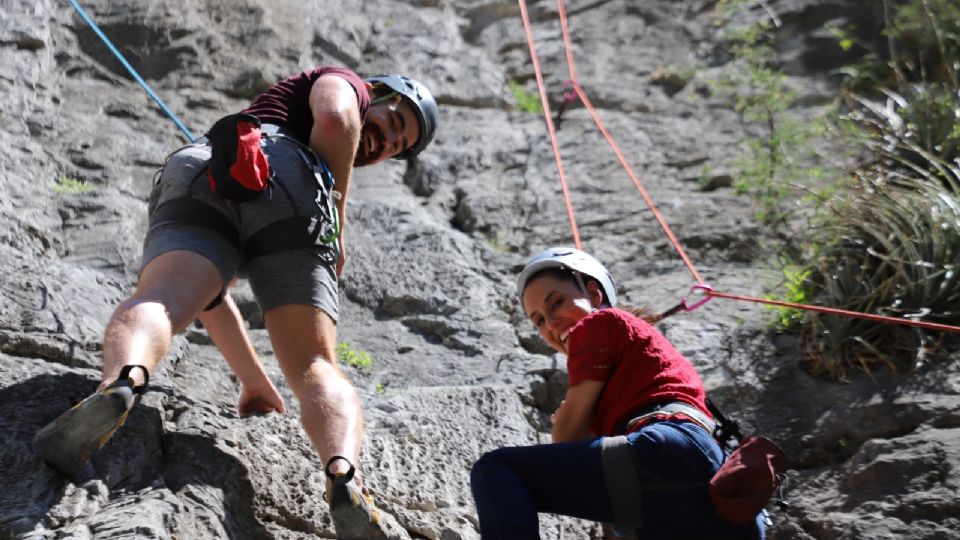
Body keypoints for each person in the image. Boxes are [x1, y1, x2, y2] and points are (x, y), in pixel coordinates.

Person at [34, 66, 438, 540]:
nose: (387, 141)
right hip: (293, 182)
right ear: (377, 91)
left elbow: (211, 300)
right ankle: (344, 476)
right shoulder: (345, 80)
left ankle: (120, 382)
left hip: (207, 165)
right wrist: (336, 216)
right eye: (395, 122)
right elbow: (333, 117)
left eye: (397, 146)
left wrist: (253, 382)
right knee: (314, 363)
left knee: (162, 299)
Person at [470, 247, 765, 539]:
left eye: (557, 303)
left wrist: (566, 420)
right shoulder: (633, 365)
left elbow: (565, 441)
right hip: (713, 493)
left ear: (594, 294)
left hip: (667, 449)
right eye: (539, 321)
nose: (551, 323)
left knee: (496, 469)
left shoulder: (600, 322)